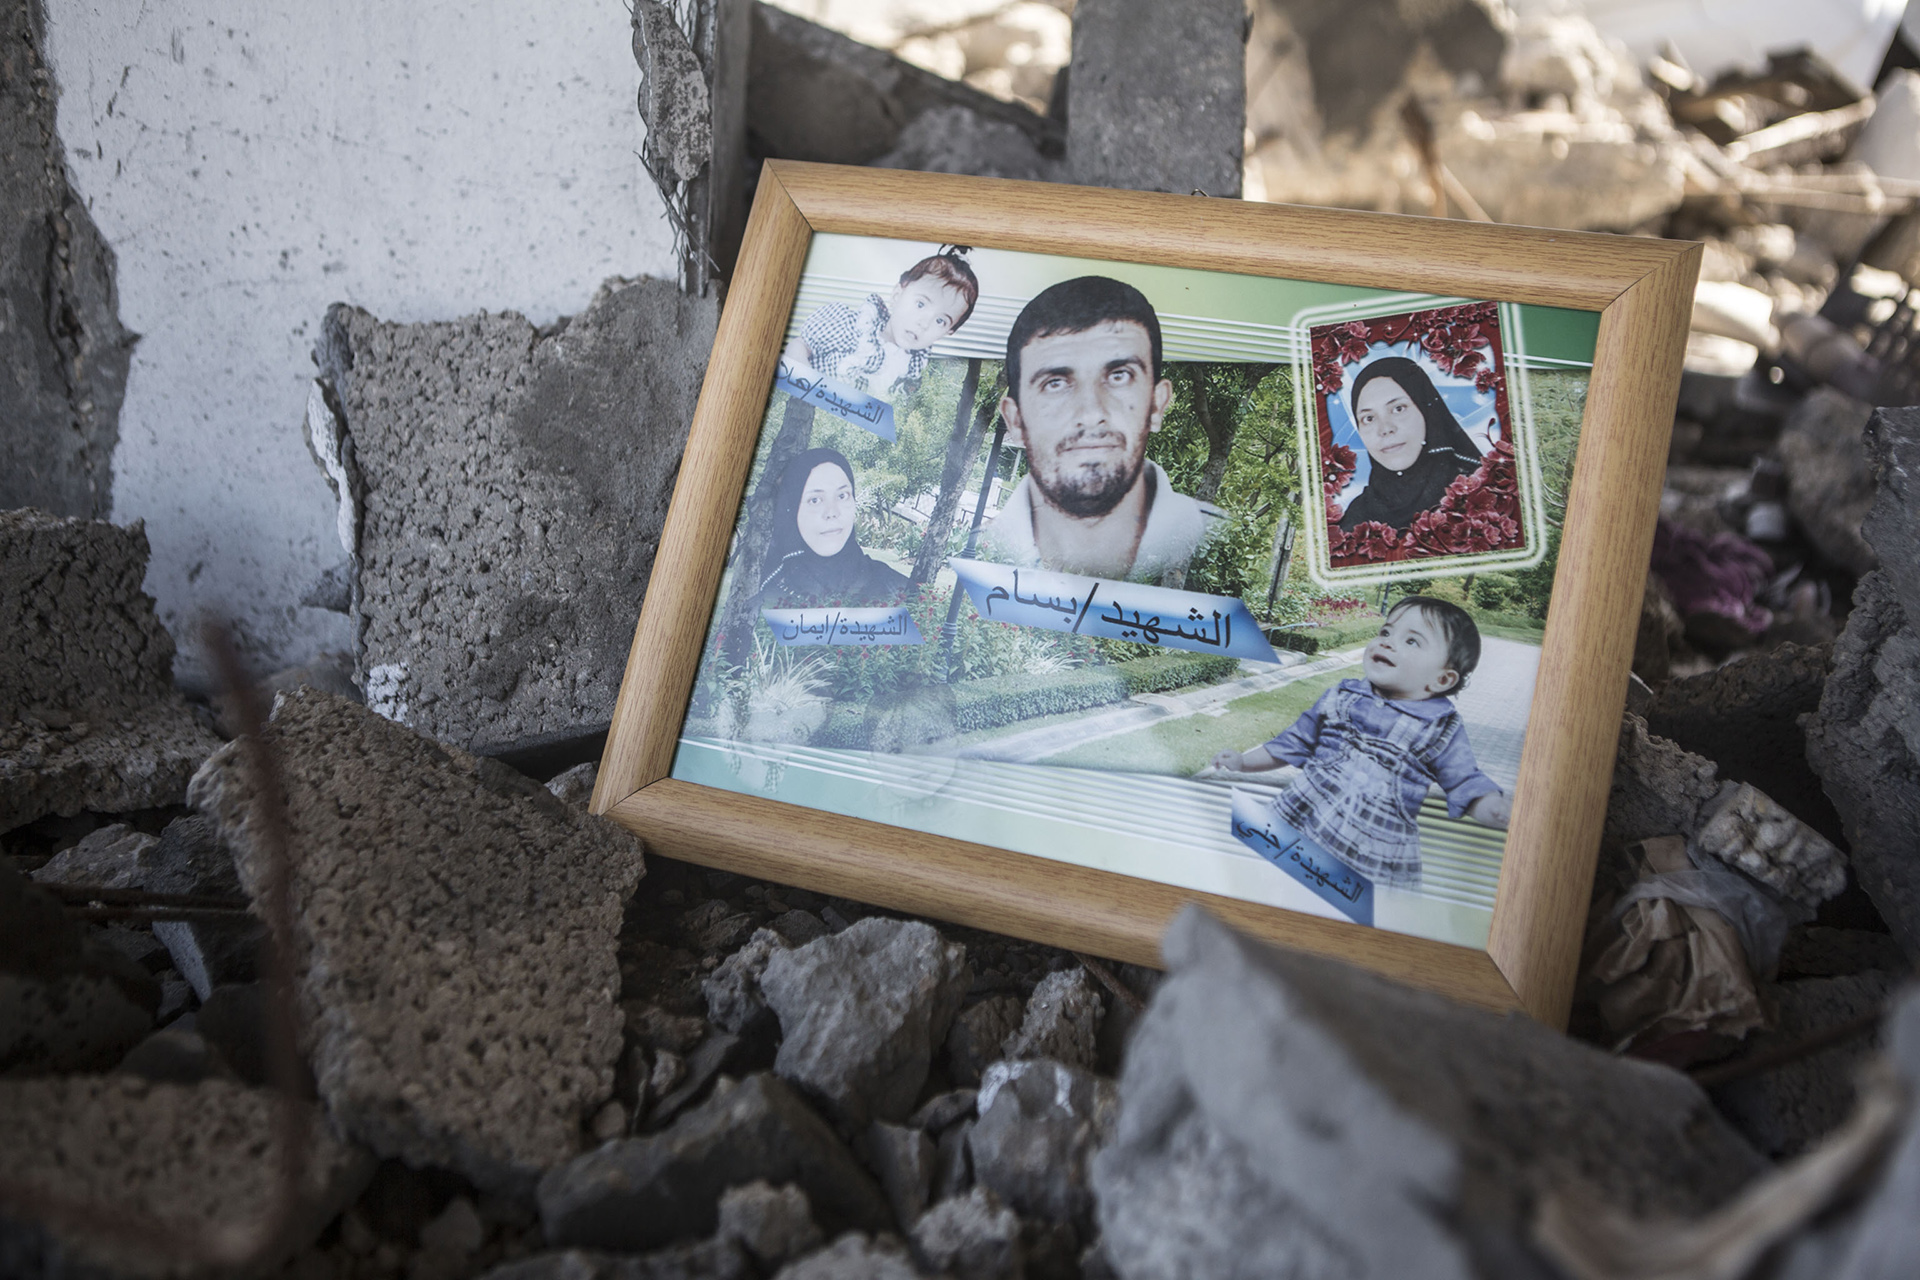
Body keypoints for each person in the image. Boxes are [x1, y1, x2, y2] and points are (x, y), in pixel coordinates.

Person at [1210, 596, 1511, 886]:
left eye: (1411, 641)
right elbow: (1294, 742)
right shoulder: (1341, 697)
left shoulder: (1439, 727)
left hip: (1373, 847)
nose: (1387, 642)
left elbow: (1464, 781)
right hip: (1304, 815)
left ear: (1442, 680)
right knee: (1266, 880)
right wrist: (1244, 762)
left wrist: (1492, 808)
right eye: (1386, 631)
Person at [980, 275, 1222, 582]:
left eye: (1120, 376)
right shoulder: (987, 541)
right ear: (1015, 420)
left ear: (1157, 404)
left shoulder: (1212, 537)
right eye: (1055, 383)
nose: (1091, 413)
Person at [781, 250, 980, 400]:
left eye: (940, 321)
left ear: (948, 331)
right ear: (897, 295)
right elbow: (799, 345)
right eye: (920, 304)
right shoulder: (855, 326)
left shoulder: (913, 368)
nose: (924, 323)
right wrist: (804, 386)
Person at [1335, 356, 1484, 533]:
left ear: (1426, 411)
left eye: (1398, 408)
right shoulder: (1356, 517)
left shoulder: (1476, 495)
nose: (1385, 429)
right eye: (1369, 418)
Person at [755, 447, 912, 607]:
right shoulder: (767, 591)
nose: (832, 512)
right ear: (793, 509)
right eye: (815, 500)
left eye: (842, 496)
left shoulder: (896, 588)